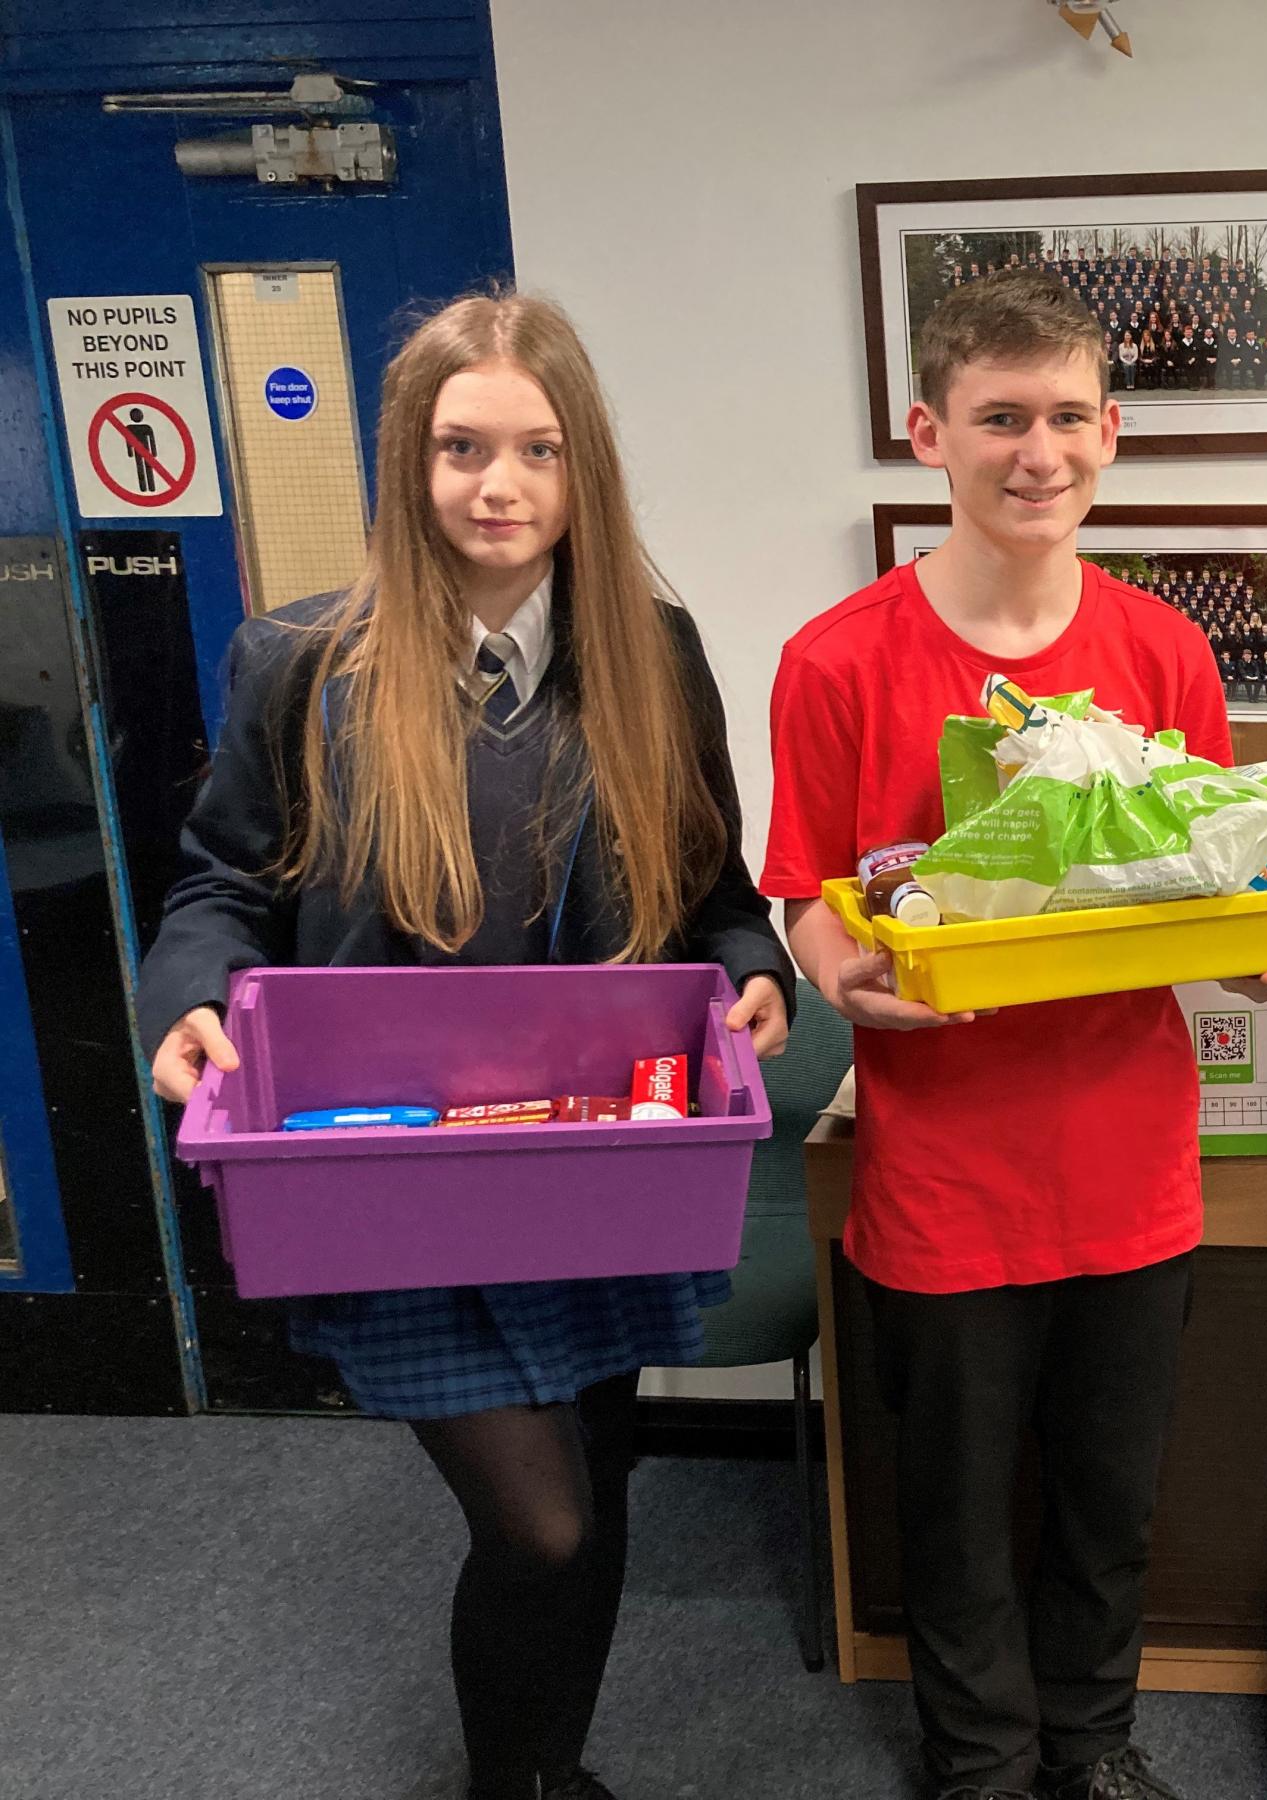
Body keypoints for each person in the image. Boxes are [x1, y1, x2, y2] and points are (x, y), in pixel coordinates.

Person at [138, 291, 795, 1800]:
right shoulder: (302, 661)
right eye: (460, 449)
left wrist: (752, 968)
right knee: (539, 1521)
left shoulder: (655, 653)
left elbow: (708, 887)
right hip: (397, 1178)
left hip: (607, 1154)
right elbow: (222, 881)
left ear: (585, 472)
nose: (498, 487)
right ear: (407, 464)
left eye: (538, 451)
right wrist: (187, 997)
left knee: (595, 1480)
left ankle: (553, 1770)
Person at [760, 268, 1267, 1800]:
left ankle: (1092, 1745)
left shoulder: (1162, 655)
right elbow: (802, 887)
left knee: (1106, 1497)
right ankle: (978, 1764)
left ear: (1113, 430)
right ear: (926, 430)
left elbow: (1225, 875)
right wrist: (834, 972)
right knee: (950, 1507)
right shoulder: (838, 659)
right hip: (943, 1169)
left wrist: (1266, 965)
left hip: (1134, 1165)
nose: (1038, 452)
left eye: (1068, 416)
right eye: (1000, 418)